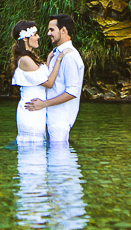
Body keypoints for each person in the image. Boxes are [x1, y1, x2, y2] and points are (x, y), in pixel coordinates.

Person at [24, 14, 84, 143]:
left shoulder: (69, 56)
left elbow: (72, 92)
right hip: (50, 118)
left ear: (63, 30)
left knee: (59, 160)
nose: (48, 33)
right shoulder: (57, 55)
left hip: (59, 120)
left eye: (52, 30)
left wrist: (43, 104)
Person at [10, 20, 71, 143]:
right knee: (32, 154)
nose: (38, 37)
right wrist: (59, 60)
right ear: (25, 39)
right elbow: (48, 83)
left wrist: (49, 59)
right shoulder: (26, 60)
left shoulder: (30, 57)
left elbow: (42, 77)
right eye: (35, 34)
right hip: (31, 111)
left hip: (37, 110)